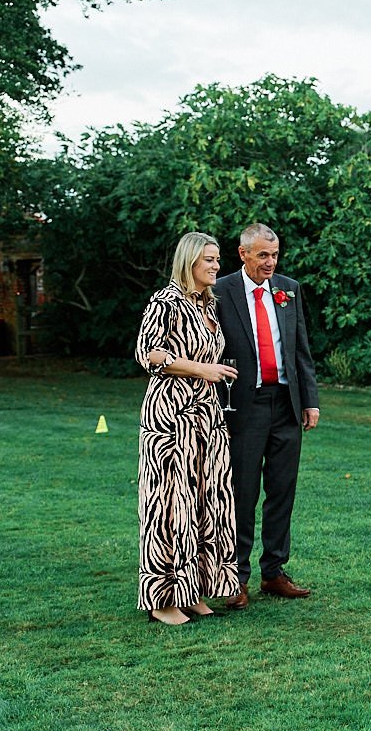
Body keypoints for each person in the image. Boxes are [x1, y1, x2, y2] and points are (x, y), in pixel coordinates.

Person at [135, 232, 241, 625]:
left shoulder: (207, 304)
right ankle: (161, 600)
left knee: (206, 499)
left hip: (208, 414)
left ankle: (192, 589)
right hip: (171, 415)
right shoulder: (166, 302)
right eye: (209, 260)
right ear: (190, 261)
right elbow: (149, 355)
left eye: (217, 260)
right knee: (170, 503)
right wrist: (203, 369)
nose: (216, 266)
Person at [214, 223, 321, 609]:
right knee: (242, 493)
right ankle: (236, 577)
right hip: (244, 405)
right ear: (243, 254)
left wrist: (310, 401)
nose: (270, 263)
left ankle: (274, 571)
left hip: (286, 404)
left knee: (282, 490)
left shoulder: (288, 289)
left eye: (274, 255)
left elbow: (300, 349)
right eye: (262, 255)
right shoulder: (220, 291)